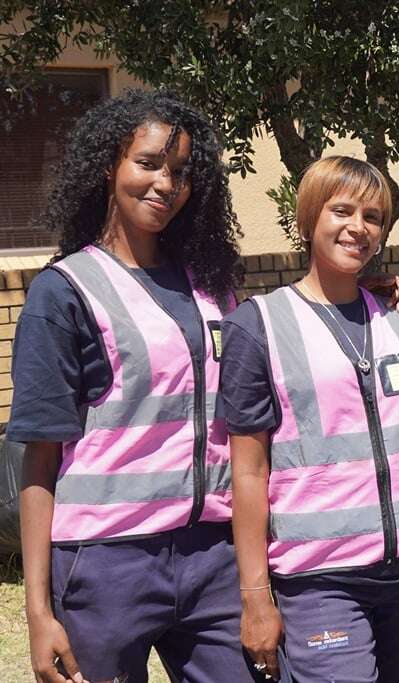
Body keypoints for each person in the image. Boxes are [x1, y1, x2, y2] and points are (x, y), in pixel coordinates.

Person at [11, 90, 260, 682]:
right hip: (105, 565)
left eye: (181, 172)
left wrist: (359, 292)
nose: (165, 184)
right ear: (108, 166)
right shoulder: (65, 292)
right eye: (148, 163)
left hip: (215, 557)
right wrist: (39, 610)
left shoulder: (214, 287)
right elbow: (39, 459)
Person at [220, 155, 399, 682]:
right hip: (322, 580)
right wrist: (255, 596)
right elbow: (248, 473)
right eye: (342, 210)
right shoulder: (259, 327)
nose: (358, 228)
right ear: (310, 216)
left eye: (373, 217)